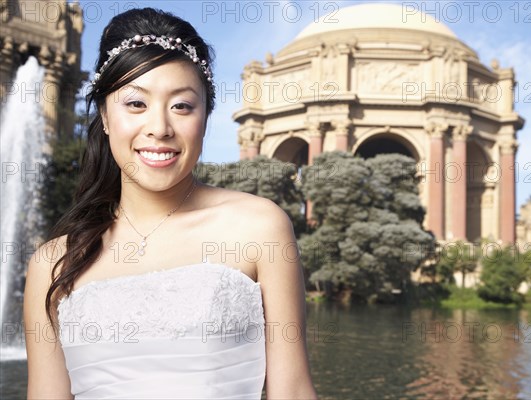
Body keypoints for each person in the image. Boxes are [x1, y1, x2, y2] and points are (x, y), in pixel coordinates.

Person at [24, 7, 318, 399]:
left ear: (205, 117)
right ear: (105, 117)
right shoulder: (53, 265)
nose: (160, 128)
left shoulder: (259, 228)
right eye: (135, 104)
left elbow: (293, 391)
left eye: (181, 105)